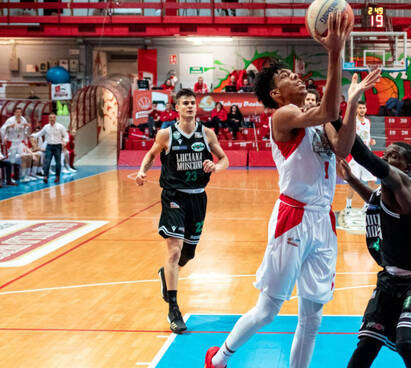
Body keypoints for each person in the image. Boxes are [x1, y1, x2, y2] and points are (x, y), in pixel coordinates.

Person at [203, 13, 379, 368]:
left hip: (323, 220)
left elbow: (344, 148)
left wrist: (354, 101)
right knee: (269, 310)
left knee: (313, 317)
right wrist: (335, 50)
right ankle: (219, 358)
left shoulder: (321, 119)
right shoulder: (281, 117)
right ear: (276, 94)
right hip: (293, 217)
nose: (296, 76)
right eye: (286, 76)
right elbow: (329, 106)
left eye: (295, 73)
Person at [340, 139, 411, 368]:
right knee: (367, 342)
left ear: (408, 165)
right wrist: (351, 178)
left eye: (393, 156)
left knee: (407, 341)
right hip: (391, 278)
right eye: (385, 153)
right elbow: (375, 200)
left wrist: (339, 121)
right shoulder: (387, 190)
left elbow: (366, 157)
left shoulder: (406, 187)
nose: (385, 158)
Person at [135, 88, 229, 334]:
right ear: (176, 107)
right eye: (185, 103)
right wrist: (142, 171)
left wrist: (215, 167)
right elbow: (151, 154)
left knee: (188, 255)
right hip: (174, 197)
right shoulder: (166, 134)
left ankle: (166, 274)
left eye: (192, 102)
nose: (189, 106)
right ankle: (174, 309)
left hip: (198, 199)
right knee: (174, 251)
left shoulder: (207, 134)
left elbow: (225, 159)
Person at [344, 101, 376, 213]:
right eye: (360, 108)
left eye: (363, 108)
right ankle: (348, 206)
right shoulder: (352, 121)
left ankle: (368, 204)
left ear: (366, 109)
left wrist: (371, 141)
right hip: (355, 156)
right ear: (356, 110)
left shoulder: (368, 122)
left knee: (371, 180)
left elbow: (366, 135)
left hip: (367, 154)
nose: (362, 110)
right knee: (353, 182)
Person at [31, 112, 68, 184]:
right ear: (48, 119)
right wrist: (33, 135)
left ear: (55, 118)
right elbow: (40, 133)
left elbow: (66, 135)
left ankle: (57, 176)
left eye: (53, 118)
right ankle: (45, 176)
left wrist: (65, 142)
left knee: (58, 163)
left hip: (58, 146)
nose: (52, 119)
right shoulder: (46, 127)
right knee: (47, 162)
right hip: (49, 146)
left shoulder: (60, 127)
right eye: (50, 118)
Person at [1, 107, 31, 183]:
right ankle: (10, 177)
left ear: (21, 113)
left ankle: (23, 176)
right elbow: (2, 129)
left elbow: (26, 130)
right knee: (11, 160)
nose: (18, 114)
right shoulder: (10, 120)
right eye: (17, 112)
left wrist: (26, 127)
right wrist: (9, 126)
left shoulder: (23, 119)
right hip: (12, 142)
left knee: (24, 156)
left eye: (20, 112)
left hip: (20, 141)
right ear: (14, 113)